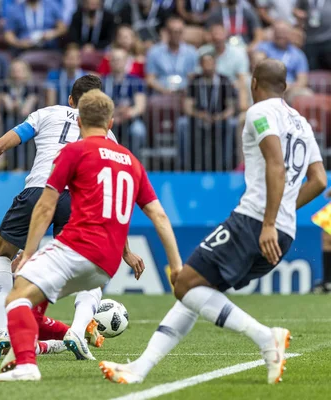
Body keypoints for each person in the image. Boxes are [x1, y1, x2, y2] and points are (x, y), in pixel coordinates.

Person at [99, 59, 328, 385]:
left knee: (184, 283)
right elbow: (319, 180)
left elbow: (275, 166)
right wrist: (281, 216)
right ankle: (141, 367)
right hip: (284, 231)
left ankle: (266, 338)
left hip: (254, 221)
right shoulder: (302, 123)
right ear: (286, 87)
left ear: (252, 84)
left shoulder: (260, 112)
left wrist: (267, 221)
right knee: (196, 291)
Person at [0, 89, 182, 382]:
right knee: (38, 297)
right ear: (111, 123)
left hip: (76, 247)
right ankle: (70, 332)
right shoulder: (131, 161)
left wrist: (31, 252)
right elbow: (159, 216)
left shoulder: (73, 152)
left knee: (18, 294)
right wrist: (175, 266)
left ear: (78, 120)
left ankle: (26, 364)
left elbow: (46, 205)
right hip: (106, 264)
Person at [0, 75, 146, 363]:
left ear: (72, 100)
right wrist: (125, 251)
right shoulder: (107, 137)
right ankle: (77, 330)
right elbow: (110, 197)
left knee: (2, 254)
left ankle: (2, 329)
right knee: (91, 265)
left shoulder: (46, 113)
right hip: (78, 202)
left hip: (39, 191)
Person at [178, 52, 237, 171]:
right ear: (200, 65)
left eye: (211, 62)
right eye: (205, 63)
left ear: (215, 64)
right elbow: (187, 107)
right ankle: (185, 165)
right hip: (198, 118)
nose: (208, 66)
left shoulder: (224, 80)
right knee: (182, 123)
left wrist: (220, 117)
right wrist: (199, 115)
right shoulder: (195, 80)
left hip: (220, 118)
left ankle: (228, 165)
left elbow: (231, 108)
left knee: (232, 124)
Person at [102, 48, 147, 154]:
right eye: (114, 60)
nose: (116, 62)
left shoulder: (136, 81)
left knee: (138, 131)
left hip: (130, 120)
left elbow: (140, 107)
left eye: (120, 59)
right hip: (107, 121)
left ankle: (133, 163)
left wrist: (126, 115)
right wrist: (114, 116)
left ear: (126, 61)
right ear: (109, 62)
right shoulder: (102, 82)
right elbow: (98, 107)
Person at [256, 21, 312, 104]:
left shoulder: (298, 54)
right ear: (273, 33)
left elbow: (302, 80)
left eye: (284, 32)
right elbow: (258, 66)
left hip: (290, 88)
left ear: (290, 34)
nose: (280, 35)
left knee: (306, 94)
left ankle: (296, 117)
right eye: (278, 31)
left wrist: (289, 87)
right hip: (268, 86)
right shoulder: (264, 47)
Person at [145, 16, 198, 94]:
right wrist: (164, 91)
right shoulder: (154, 52)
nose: (177, 35)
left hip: (185, 94)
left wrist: (185, 90)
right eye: (174, 32)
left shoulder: (192, 52)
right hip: (161, 93)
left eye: (180, 32)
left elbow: (193, 77)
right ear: (167, 32)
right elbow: (150, 78)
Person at [295, 0, 331, 71]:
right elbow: (296, 10)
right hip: (310, 39)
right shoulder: (304, 1)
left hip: (328, 38)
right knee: (311, 67)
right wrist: (299, 14)